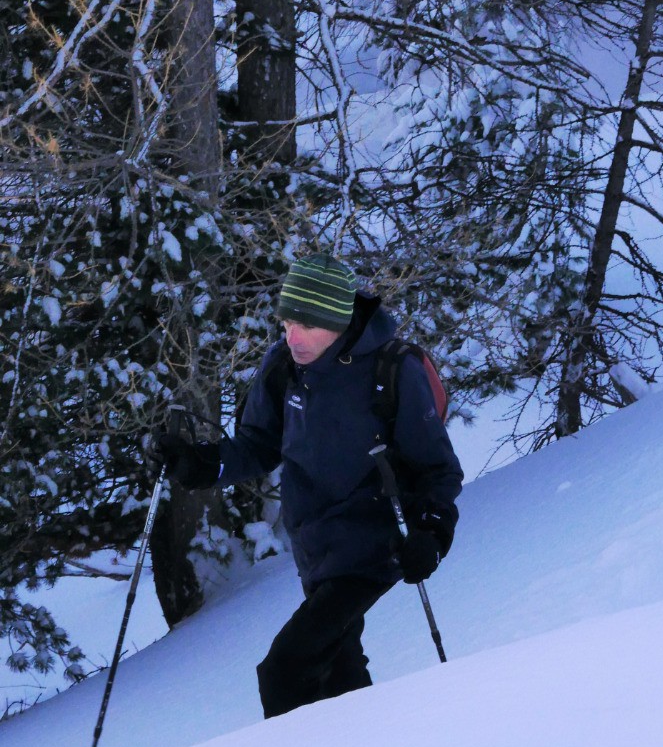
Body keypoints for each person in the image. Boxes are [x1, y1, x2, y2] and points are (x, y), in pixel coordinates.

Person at [151, 253, 463, 717]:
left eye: (308, 326)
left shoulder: (391, 372)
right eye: (287, 322)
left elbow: (439, 469)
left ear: (338, 322)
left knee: (285, 672)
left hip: (374, 549)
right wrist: (203, 465)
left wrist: (432, 534)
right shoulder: (285, 367)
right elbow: (259, 443)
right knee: (339, 678)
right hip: (315, 548)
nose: (293, 337)